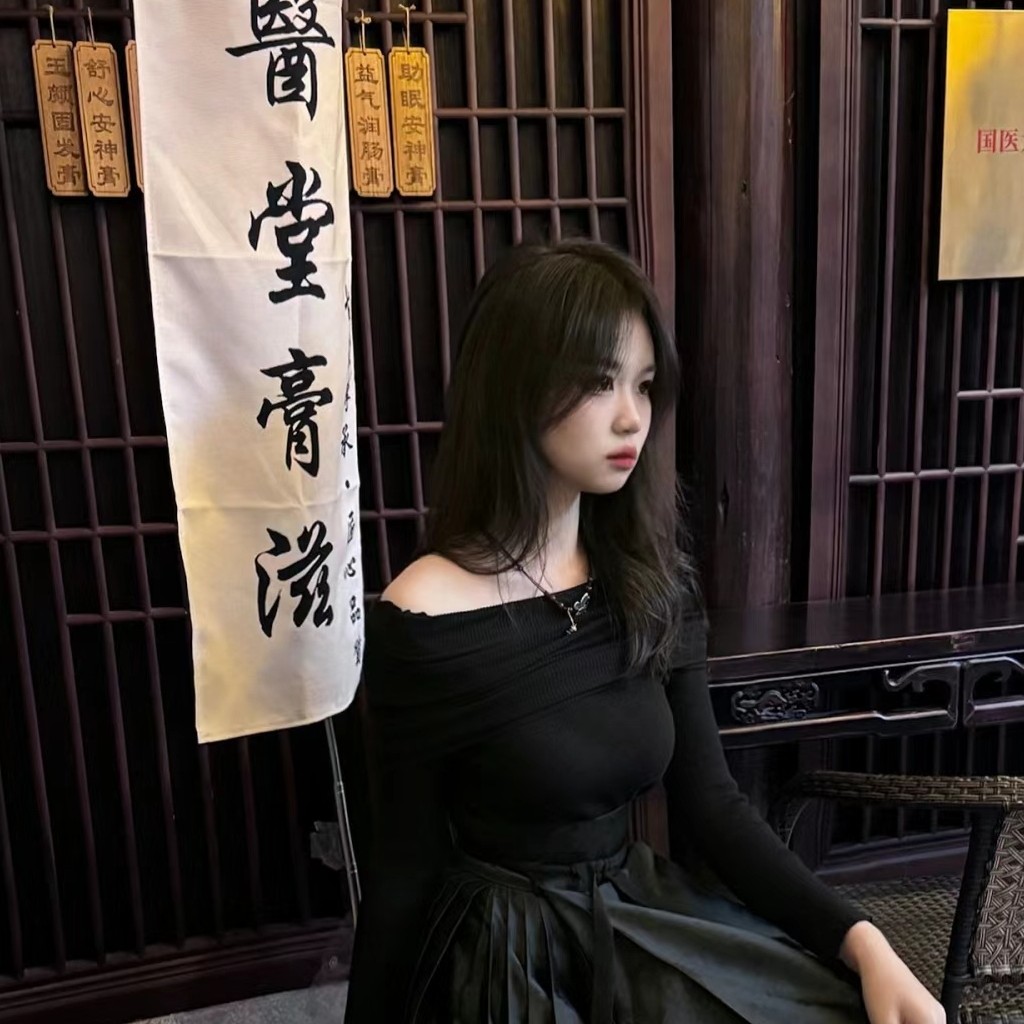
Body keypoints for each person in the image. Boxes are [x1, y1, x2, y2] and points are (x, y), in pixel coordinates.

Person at [343, 240, 943, 1023]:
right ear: (515, 387)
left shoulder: (649, 581)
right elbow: (404, 864)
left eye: (645, 384)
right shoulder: (426, 614)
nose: (632, 417)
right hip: (503, 959)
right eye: (600, 382)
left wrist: (863, 941)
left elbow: (713, 805)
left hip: (633, 913)